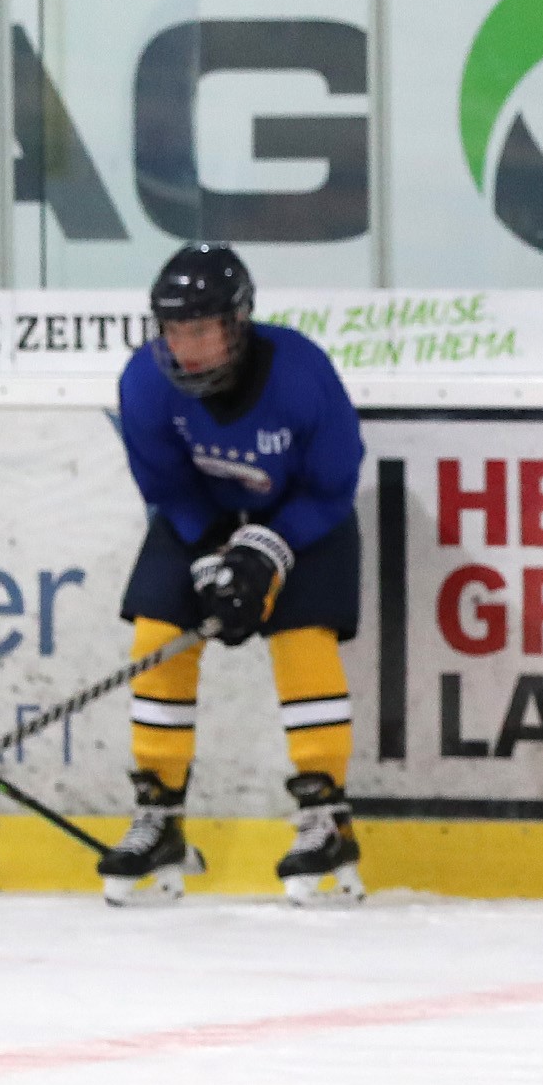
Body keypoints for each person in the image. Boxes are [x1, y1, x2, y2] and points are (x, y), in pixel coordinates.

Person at [103, 243, 368, 907]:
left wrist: (267, 550)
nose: (184, 347)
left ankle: (325, 819)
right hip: (202, 518)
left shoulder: (303, 372)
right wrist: (210, 556)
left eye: (199, 329)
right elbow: (167, 486)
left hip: (302, 518)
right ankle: (159, 817)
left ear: (238, 322)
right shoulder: (142, 383)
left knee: (303, 639)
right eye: (172, 329)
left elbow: (333, 487)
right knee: (158, 637)